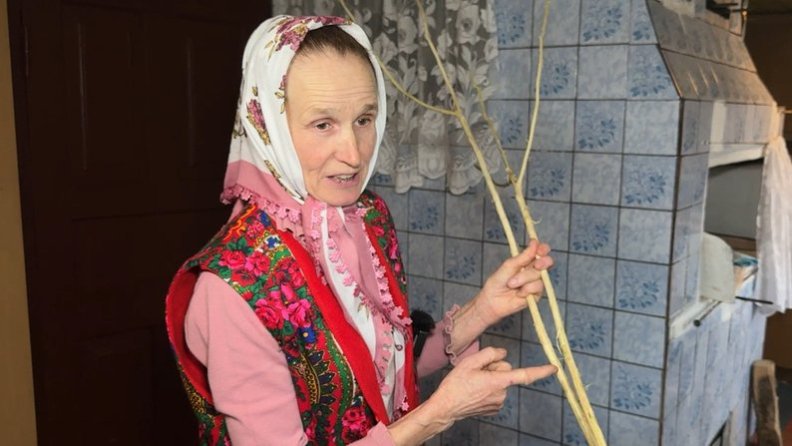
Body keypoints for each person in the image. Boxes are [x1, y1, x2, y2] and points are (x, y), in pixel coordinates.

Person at [165, 15, 556, 446]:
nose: (353, 154)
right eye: (323, 124)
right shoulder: (233, 287)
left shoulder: (365, 219)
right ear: (268, 127)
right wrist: (441, 412)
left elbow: (384, 376)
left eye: (364, 119)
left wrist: (483, 309)